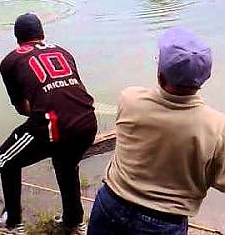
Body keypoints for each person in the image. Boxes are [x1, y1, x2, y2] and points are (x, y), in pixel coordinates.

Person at [87, 28, 225, 235]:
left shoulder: (129, 99)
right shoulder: (217, 127)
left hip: (111, 203)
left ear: (160, 76)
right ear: (205, 78)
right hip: (163, 222)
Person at [0, 13, 97, 235]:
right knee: (66, 164)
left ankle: (12, 223)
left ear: (17, 38)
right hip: (87, 121)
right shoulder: (63, 52)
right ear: (42, 34)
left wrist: (44, 112)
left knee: (5, 160)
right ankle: (74, 221)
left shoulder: (10, 61)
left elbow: (23, 108)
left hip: (53, 123)